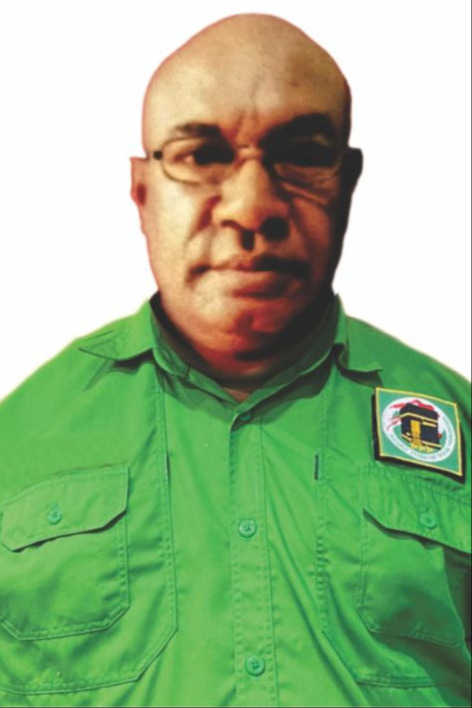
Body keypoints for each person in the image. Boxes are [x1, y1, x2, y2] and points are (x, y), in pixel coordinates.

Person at [0, 13, 470, 708]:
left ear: (346, 182)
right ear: (142, 192)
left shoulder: (459, 424)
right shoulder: (17, 438)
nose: (252, 208)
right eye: (200, 155)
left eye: (302, 153)